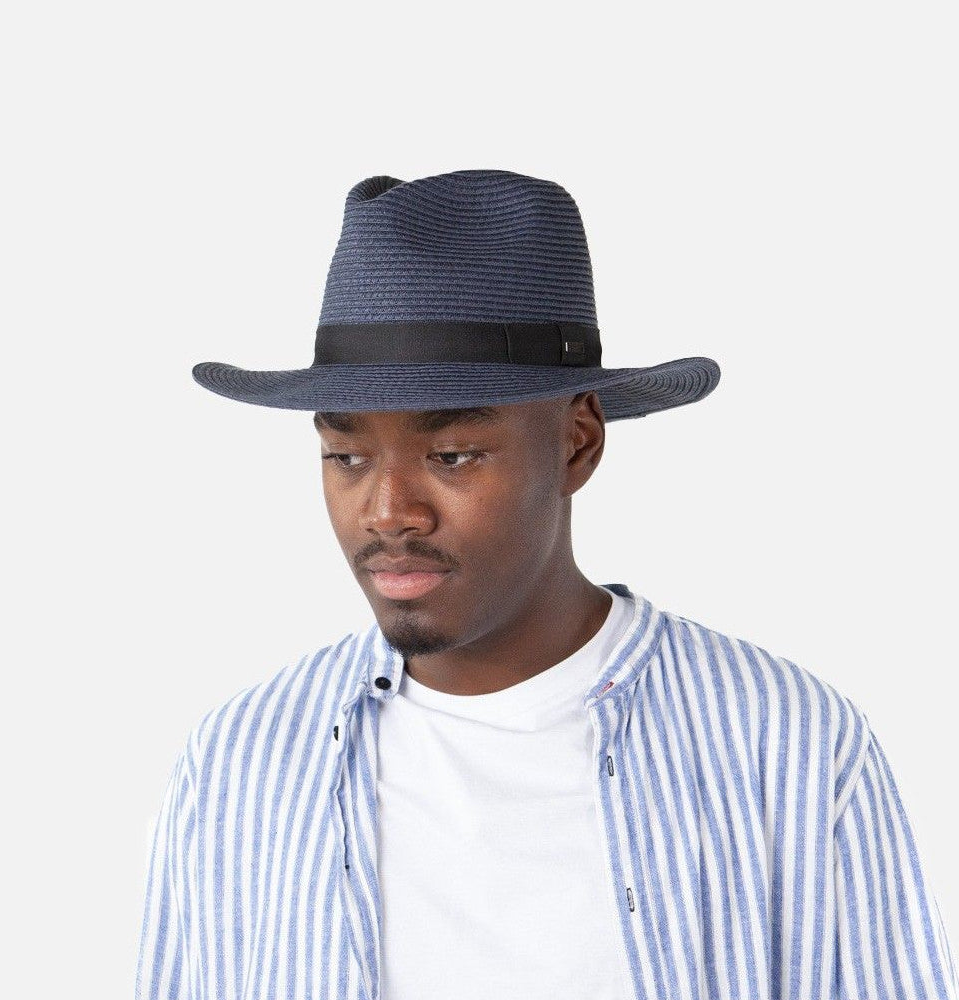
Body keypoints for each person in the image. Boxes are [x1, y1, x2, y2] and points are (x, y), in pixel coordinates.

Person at [135, 169, 957, 1000]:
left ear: (578, 442)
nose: (387, 512)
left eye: (452, 455)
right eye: (346, 456)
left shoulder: (786, 746)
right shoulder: (240, 764)